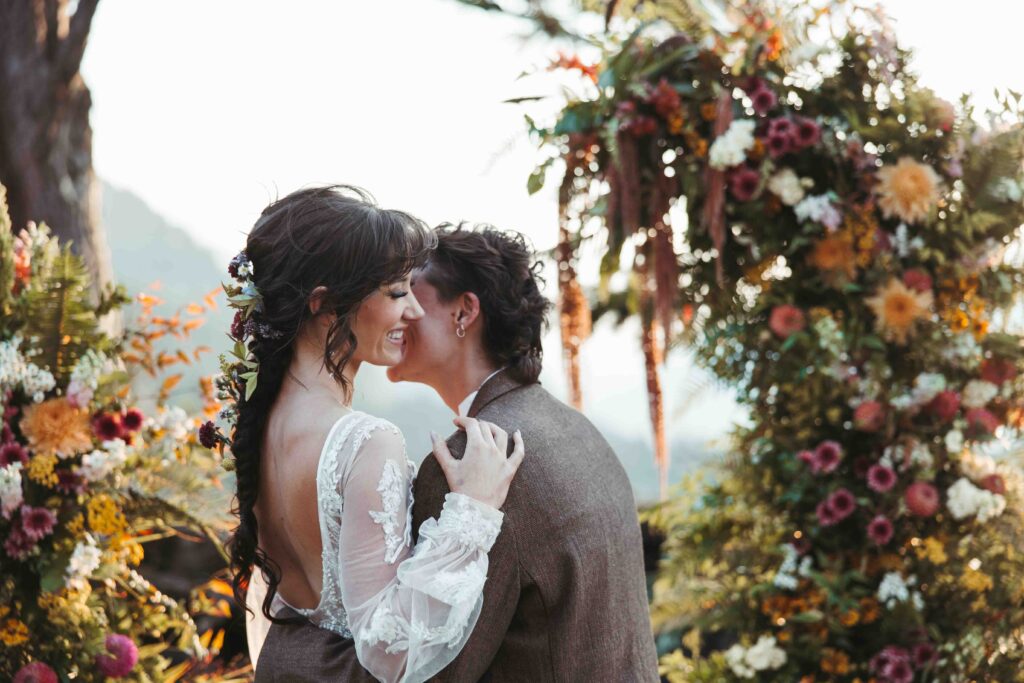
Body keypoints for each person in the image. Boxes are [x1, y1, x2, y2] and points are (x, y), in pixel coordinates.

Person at [255, 223, 660, 682]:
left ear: (464, 312)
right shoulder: (574, 428)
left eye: (414, 293)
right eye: (395, 293)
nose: (403, 312)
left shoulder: (473, 466)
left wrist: (284, 649)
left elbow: (429, 670)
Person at [216, 186, 525, 683]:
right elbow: (386, 647)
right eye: (397, 292)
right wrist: (474, 514)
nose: (415, 312)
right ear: (324, 303)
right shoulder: (364, 440)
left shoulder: (261, 421)